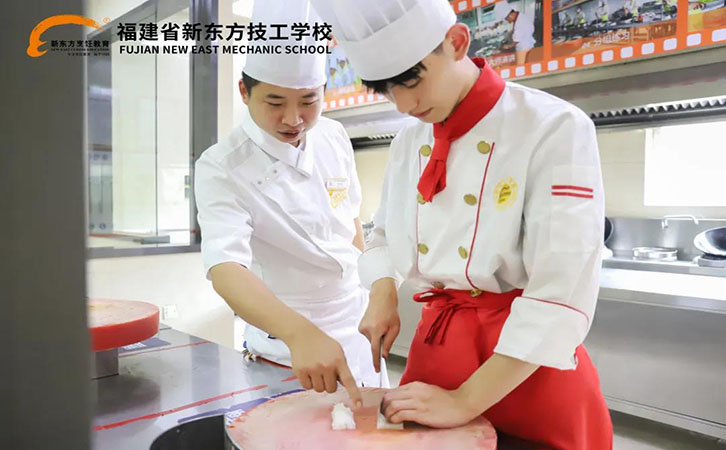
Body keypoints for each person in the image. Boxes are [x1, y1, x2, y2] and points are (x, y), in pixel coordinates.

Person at [311, 0, 613, 447]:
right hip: (436, 356)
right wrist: (382, 292)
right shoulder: (409, 140)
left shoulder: (554, 126)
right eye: (386, 90)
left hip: (523, 366)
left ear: (456, 42)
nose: (404, 104)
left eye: (411, 81)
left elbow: (561, 291)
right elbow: (384, 235)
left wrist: (466, 400)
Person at [194, 0, 387, 408]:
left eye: (308, 101)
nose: (294, 119)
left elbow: (350, 221)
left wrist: (375, 290)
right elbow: (226, 268)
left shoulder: (333, 136)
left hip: (357, 327)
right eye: (275, 102)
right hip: (286, 342)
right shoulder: (221, 165)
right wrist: (299, 334)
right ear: (244, 92)